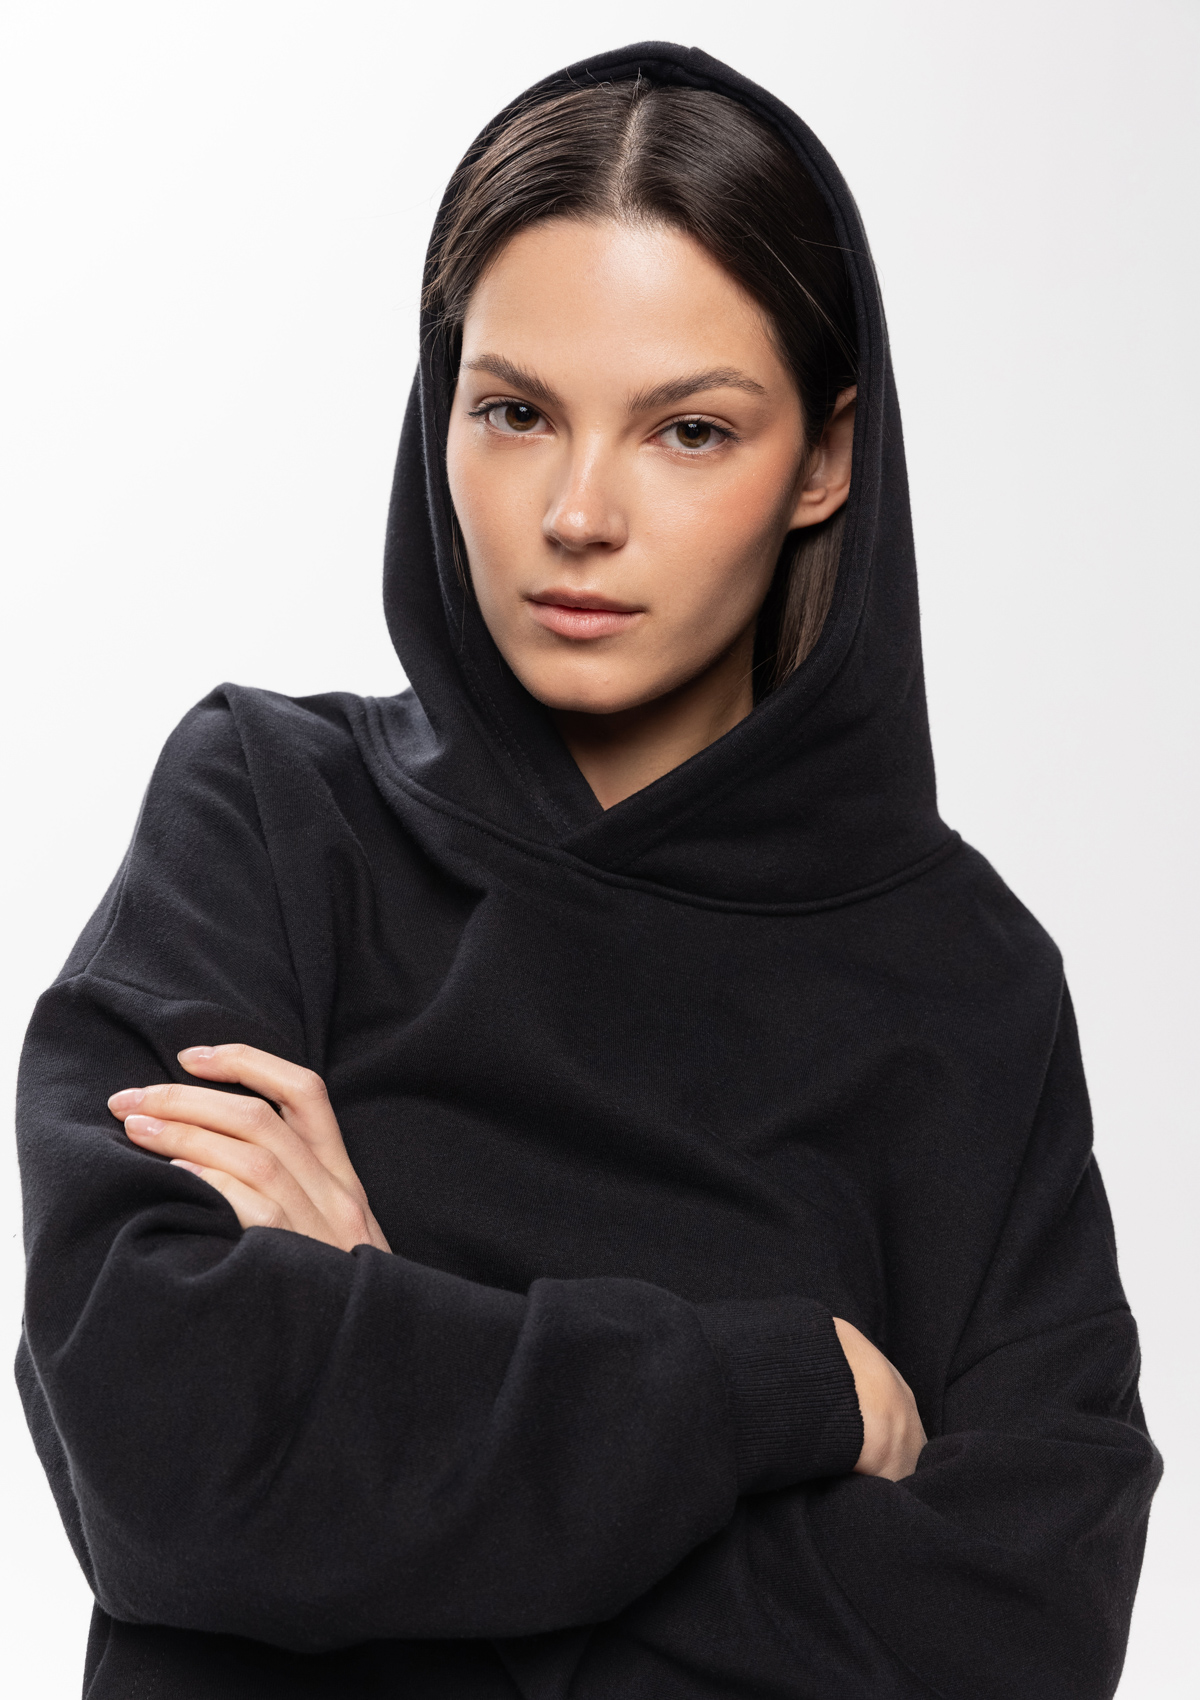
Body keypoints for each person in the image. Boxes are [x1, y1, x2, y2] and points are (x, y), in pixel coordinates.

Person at [15, 39, 1160, 1700]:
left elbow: (1021, 1634)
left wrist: (386, 1348)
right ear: (441, 412)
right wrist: (780, 1392)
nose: (577, 512)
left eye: (688, 430)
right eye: (515, 413)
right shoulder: (266, 814)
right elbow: (166, 1457)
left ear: (825, 458)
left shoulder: (968, 982)